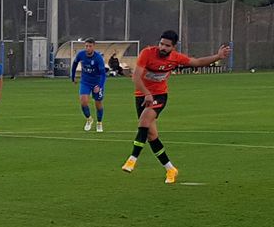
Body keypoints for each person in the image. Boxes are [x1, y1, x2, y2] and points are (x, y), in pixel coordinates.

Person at [121, 30, 230, 184]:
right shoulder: (147, 53)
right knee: (151, 135)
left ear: (173, 47)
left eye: (167, 46)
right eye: (161, 44)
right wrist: (146, 93)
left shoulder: (176, 58)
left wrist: (218, 56)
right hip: (142, 95)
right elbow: (136, 77)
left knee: (144, 121)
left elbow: (197, 62)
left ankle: (132, 159)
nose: (163, 47)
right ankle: (170, 169)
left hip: (159, 96)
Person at [71, 39, 107, 132]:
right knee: (83, 102)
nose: (88, 48)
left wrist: (100, 86)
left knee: (98, 103)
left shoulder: (98, 58)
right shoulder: (81, 54)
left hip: (97, 83)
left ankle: (99, 123)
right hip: (85, 82)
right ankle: (89, 119)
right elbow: (74, 64)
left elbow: (103, 74)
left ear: (93, 47)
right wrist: (73, 76)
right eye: (86, 46)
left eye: (90, 46)